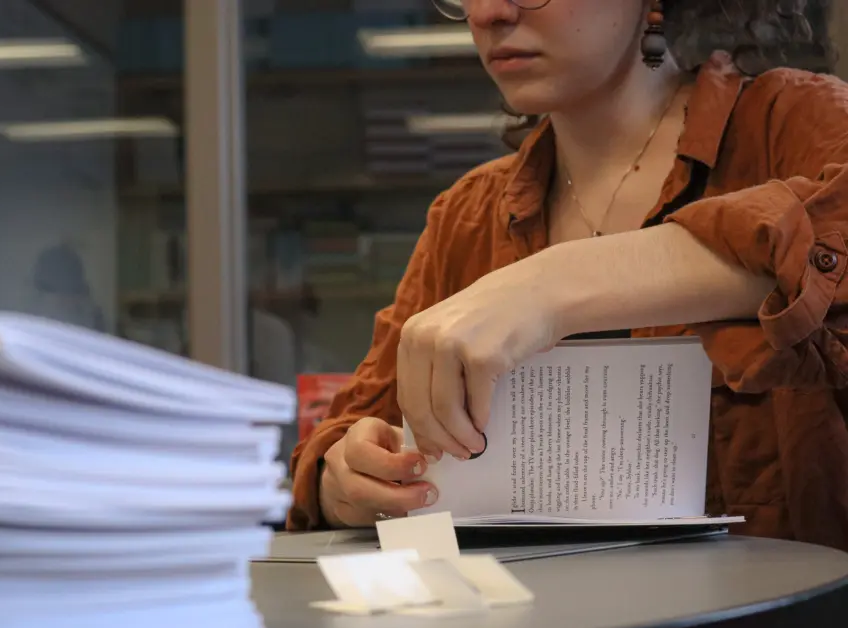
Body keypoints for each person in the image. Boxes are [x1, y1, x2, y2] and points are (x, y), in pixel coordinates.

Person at [286, 0, 848, 552]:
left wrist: (555, 285)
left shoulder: (790, 124)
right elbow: (346, 436)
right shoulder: (467, 215)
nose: (487, 15)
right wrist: (349, 483)